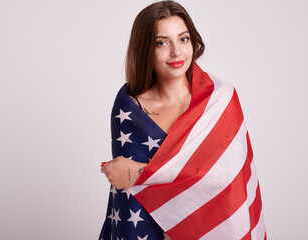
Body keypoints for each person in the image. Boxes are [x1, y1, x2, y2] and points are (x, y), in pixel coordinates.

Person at [99, 1, 266, 240]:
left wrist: (140, 173)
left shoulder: (220, 99)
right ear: (144, 48)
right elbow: (128, 196)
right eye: (162, 42)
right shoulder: (129, 107)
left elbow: (227, 179)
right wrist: (130, 178)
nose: (176, 52)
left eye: (183, 39)